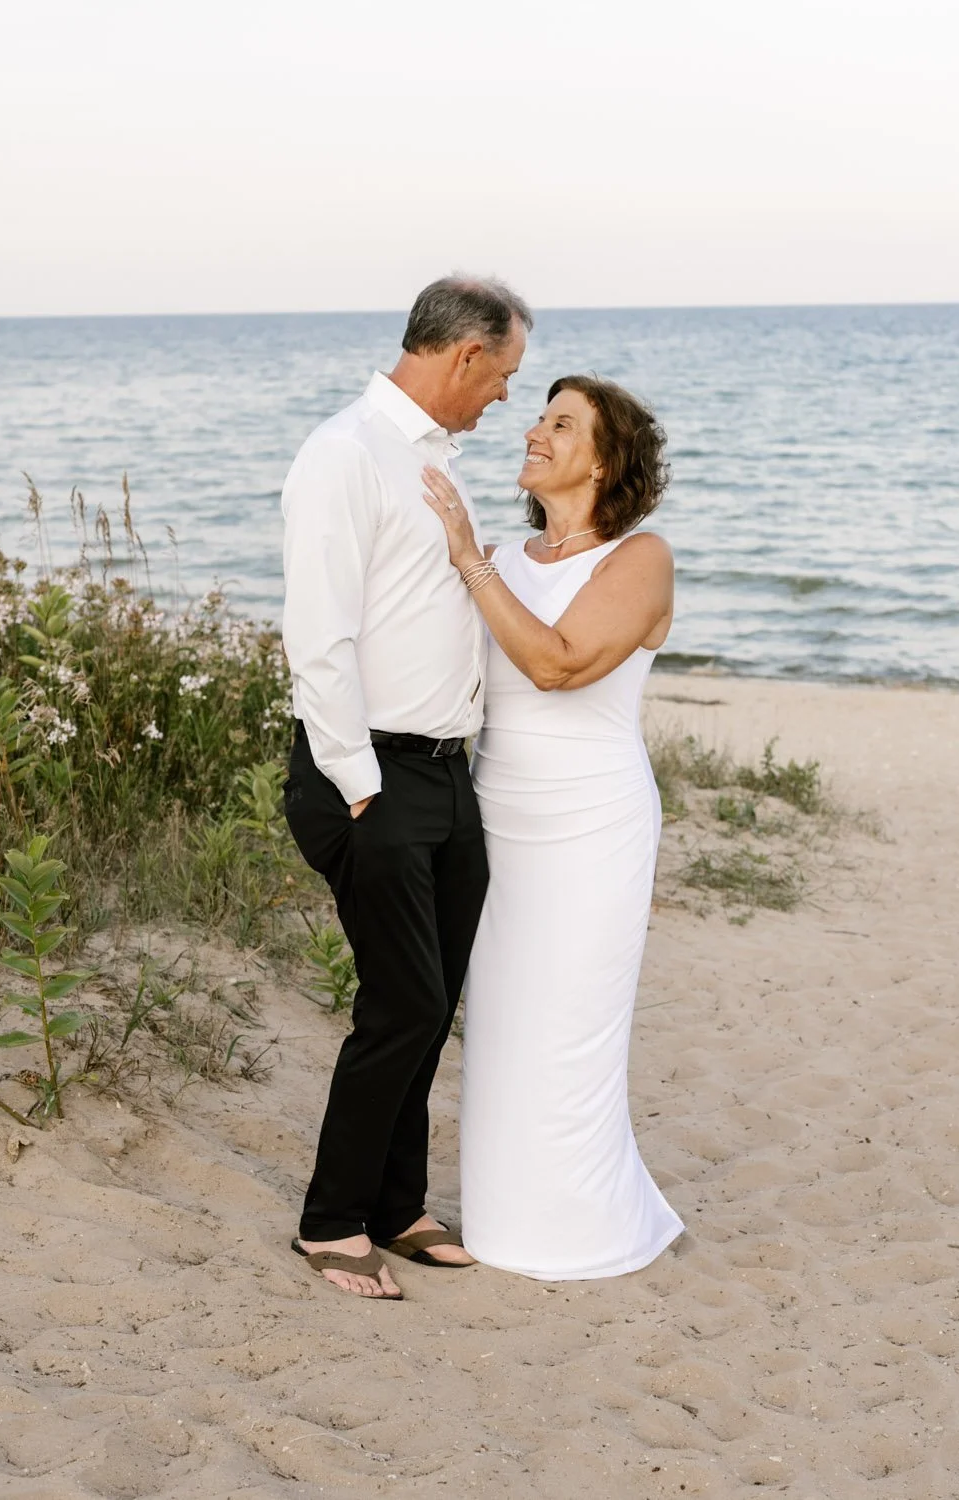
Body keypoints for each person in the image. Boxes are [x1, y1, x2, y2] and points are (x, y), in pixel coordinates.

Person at [280, 275, 531, 1299]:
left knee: (433, 1006)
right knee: (402, 1001)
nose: (506, 397)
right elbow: (320, 637)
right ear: (465, 355)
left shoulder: (438, 465)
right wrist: (360, 787)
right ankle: (331, 1221)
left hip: (446, 774)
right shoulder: (345, 454)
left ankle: (398, 1206)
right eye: (505, 374)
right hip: (371, 773)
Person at [418, 373, 686, 1279]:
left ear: (606, 461)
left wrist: (469, 561)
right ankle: (504, 1224)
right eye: (538, 415)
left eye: (561, 423)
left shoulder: (638, 560)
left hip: (592, 827)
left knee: (569, 1026)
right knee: (499, 1029)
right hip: (496, 819)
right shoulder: (500, 555)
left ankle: (586, 1230)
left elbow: (559, 665)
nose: (534, 430)